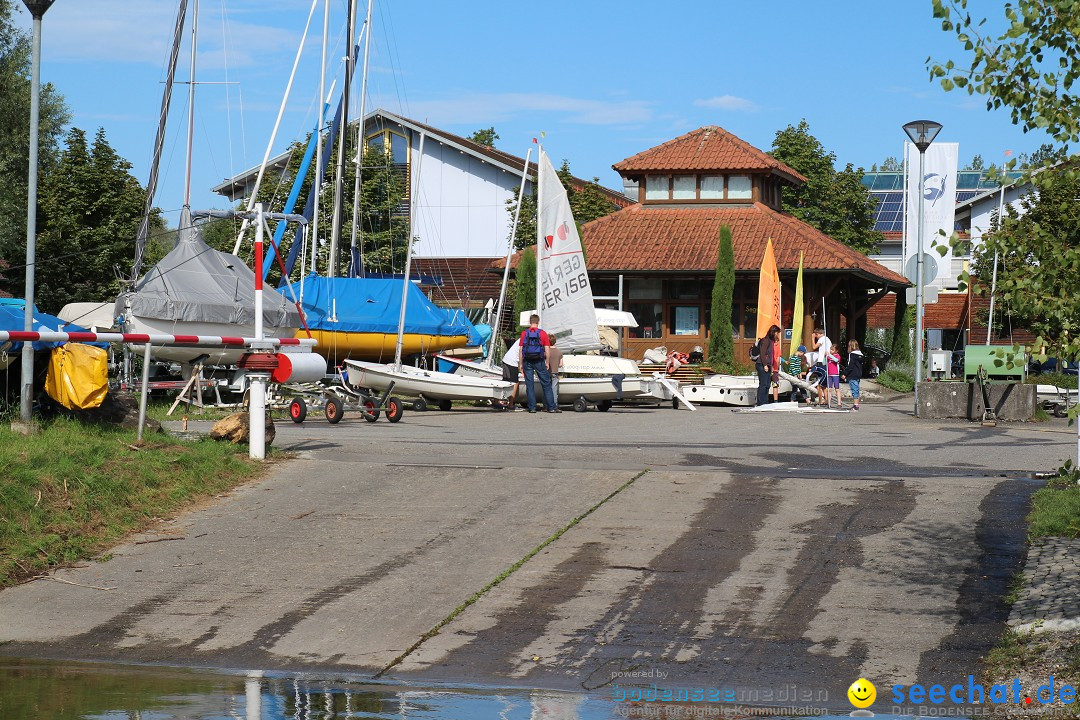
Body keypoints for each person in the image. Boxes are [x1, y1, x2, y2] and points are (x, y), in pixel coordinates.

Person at [519, 314, 557, 413]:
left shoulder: (524, 333)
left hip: (527, 360)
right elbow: (547, 349)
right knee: (546, 384)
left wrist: (521, 363)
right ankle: (551, 407)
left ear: (530, 322)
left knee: (529, 384)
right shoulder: (543, 333)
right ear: (538, 322)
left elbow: (521, 349)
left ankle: (532, 408)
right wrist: (547, 362)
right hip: (539, 360)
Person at [755, 325, 781, 406]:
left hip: (768, 365)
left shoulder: (771, 341)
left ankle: (765, 401)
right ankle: (760, 402)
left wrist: (771, 366)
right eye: (777, 333)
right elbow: (763, 354)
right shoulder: (766, 340)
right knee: (763, 384)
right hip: (762, 364)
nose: (778, 335)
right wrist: (765, 365)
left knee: (767, 384)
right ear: (774, 332)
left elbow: (771, 355)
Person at [841, 340, 864, 411]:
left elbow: (850, 366)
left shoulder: (852, 355)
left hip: (853, 374)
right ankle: (856, 404)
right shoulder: (860, 355)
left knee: (854, 389)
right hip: (858, 374)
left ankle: (855, 405)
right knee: (856, 389)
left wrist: (845, 373)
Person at [546, 334, 564, 406]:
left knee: (546, 389)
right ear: (555, 342)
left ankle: (546, 404)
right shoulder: (559, 352)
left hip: (547, 372)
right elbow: (561, 364)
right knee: (554, 389)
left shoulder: (546, 352)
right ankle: (554, 404)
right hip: (555, 372)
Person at [825, 344, 842, 409]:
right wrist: (825, 356)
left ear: (836, 350)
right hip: (829, 374)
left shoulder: (837, 356)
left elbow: (836, 360)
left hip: (835, 374)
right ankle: (828, 403)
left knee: (837, 389)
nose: (831, 351)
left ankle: (839, 403)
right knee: (829, 389)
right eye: (830, 349)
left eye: (832, 350)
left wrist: (829, 355)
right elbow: (824, 363)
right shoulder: (829, 357)